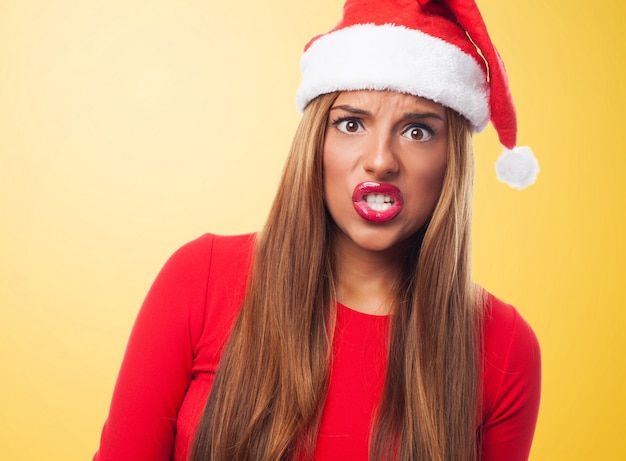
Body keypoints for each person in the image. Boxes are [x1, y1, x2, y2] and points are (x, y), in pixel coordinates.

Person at [94, 0, 541, 460]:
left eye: (418, 132)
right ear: (316, 143)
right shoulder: (200, 279)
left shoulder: (503, 348)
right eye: (351, 123)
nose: (381, 160)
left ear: (452, 161)